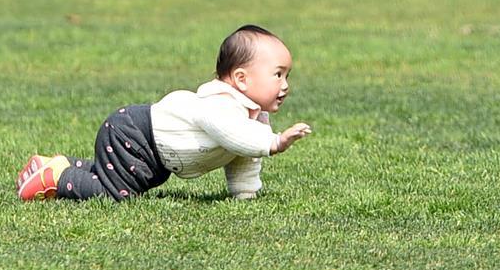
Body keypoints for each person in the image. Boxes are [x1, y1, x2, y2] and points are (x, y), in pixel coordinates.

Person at [16, 25, 313, 202]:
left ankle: (61, 163)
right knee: (118, 193)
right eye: (278, 75)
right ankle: (57, 177)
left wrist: (246, 195)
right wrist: (274, 142)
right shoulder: (221, 105)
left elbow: (243, 156)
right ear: (241, 78)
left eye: (287, 75)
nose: (285, 85)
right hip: (134, 133)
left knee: (131, 179)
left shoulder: (252, 117)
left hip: (153, 152)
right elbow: (234, 135)